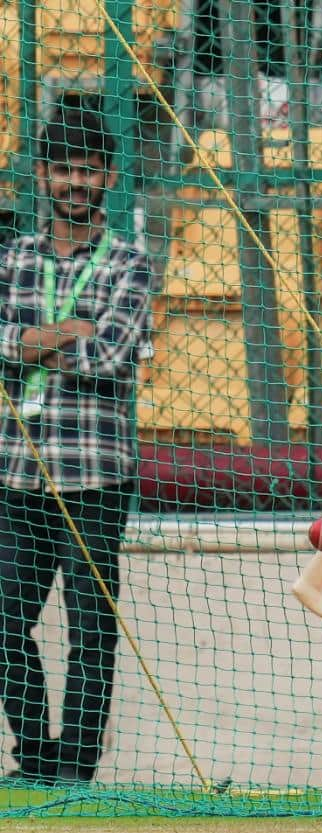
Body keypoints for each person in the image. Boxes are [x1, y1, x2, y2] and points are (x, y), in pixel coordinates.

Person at [0, 103, 153, 784]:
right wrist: (69, 332)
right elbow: (64, 344)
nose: (74, 182)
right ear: (41, 176)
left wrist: (29, 345)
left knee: (90, 629)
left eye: (86, 169)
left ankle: (76, 770)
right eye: (62, 169)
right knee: (6, 625)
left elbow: (114, 356)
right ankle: (34, 760)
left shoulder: (129, 261)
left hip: (95, 475)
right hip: (16, 473)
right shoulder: (15, 258)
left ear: (109, 176)